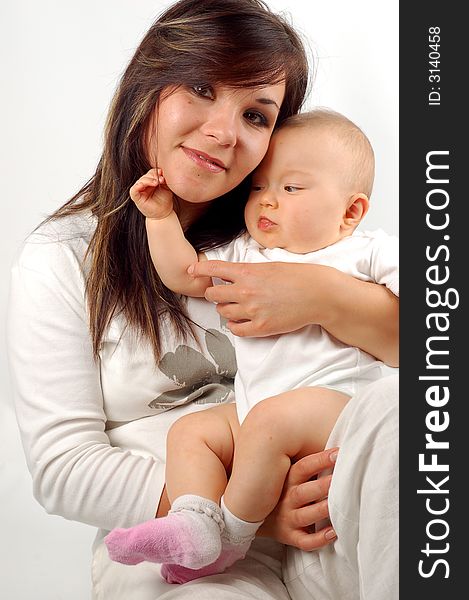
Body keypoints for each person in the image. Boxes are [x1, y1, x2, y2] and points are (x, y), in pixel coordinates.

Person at [7, 1, 399, 599]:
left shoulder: (277, 239)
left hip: (334, 512)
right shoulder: (62, 258)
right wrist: (252, 510)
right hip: (191, 537)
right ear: (148, 83)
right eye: (199, 86)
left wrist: (322, 295)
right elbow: (64, 469)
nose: (224, 132)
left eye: (256, 114)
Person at [103, 108, 399, 583]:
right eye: (259, 187)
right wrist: (159, 218)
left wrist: (335, 296)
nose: (267, 202)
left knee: (270, 420)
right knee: (193, 433)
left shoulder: (363, 251)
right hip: (258, 412)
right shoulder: (246, 251)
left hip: (338, 409)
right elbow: (185, 274)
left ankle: (230, 541)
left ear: (350, 212)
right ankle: (195, 524)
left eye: (291, 188)